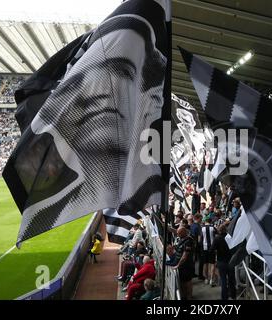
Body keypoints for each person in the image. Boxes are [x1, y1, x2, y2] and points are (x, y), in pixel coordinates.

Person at [12, 11, 167, 242]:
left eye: (121, 74)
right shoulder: (54, 194)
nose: (93, 99)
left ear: (152, 97)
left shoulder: (139, 175)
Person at [210, 224, 236, 300]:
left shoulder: (217, 238)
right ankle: (233, 296)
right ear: (226, 230)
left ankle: (224, 297)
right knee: (231, 280)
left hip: (221, 261)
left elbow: (211, 250)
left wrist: (216, 252)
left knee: (223, 280)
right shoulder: (230, 237)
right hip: (231, 260)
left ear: (219, 230)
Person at [172, 227, 195, 299]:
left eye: (179, 233)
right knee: (182, 281)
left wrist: (178, 265)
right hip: (182, 265)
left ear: (183, 232)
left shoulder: (188, 241)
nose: (177, 235)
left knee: (187, 281)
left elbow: (185, 256)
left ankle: (189, 296)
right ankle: (185, 295)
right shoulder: (182, 237)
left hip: (186, 265)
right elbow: (175, 231)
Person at [201, 218, 216, 286]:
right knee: (212, 264)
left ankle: (206, 279)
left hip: (204, 248)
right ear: (211, 221)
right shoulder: (213, 228)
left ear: (205, 222)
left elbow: (200, 239)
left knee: (205, 263)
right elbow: (216, 236)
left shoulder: (202, 228)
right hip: (212, 247)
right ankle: (211, 279)